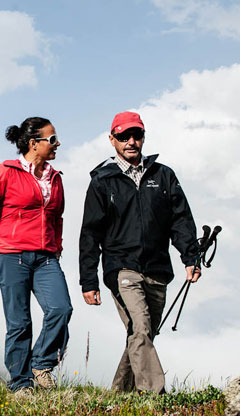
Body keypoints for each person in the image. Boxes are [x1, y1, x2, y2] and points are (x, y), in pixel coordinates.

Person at [79, 111, 200, 394]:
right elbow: (90, 233)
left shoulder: (164, 175)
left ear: (144, 137)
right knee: (141, 328)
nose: (131, 141)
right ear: (112, 140)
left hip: (157, 269)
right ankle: (154, 397)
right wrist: (89, 281)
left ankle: (120, 395)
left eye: (137, 135)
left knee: (140, 333)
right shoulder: (102, 181)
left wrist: (190, 257)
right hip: (121, 268)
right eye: (124, 136)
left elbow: (180, 220)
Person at [0, 117, 73, 394]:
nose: (57, 143)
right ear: (33, 144)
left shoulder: (55, 177)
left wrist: (58, 246)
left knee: (61, 309)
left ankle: (41, 364)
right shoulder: (5, 171)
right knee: (19, 322)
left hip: (47, 257)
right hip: (11, 255)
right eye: (51, 139)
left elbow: (57, 217)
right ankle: (21, 383)